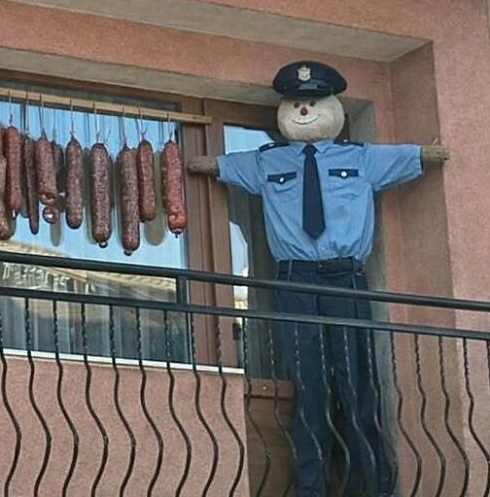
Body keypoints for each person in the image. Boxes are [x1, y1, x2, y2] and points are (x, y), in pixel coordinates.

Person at [188, 60, 450, 497]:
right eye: (297, 102)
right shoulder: (267, 162)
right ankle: (311, 488)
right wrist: (197, 162)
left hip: (345, 279)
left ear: (332, 106)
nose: (305, 110)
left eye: (313, 101)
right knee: (308, 385)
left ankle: (370, 487)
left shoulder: (360, 158)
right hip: (295, 281)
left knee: (357, 382)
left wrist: (428, 154)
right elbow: (219, 165)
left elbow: (409, 155)